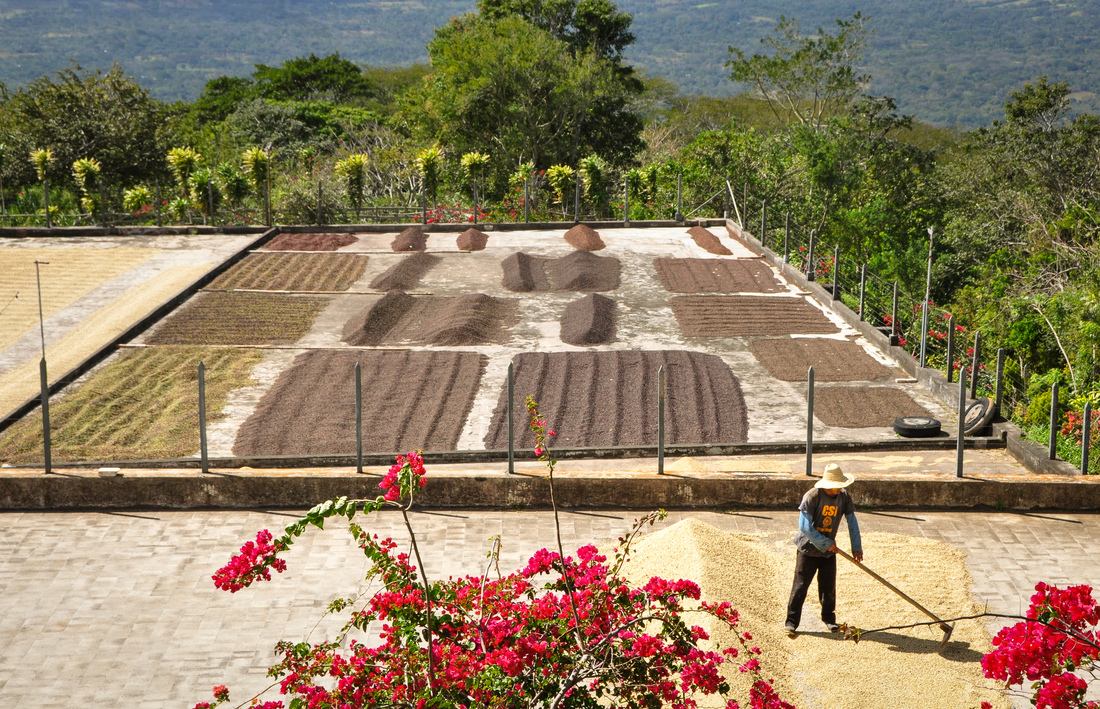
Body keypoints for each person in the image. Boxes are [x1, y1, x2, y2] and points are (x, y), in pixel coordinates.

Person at [784, 462, 863, 638]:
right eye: (835, 486)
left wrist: (856, 547)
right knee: (801, 585)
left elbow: (852, 522)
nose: (838, 489)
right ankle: (791, 622)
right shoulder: (812, 496)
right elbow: (804, 527)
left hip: (828, 552)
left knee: (828, 586)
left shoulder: (844, 497)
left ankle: (829, 619)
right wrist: (826, 543)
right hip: (808, 549)